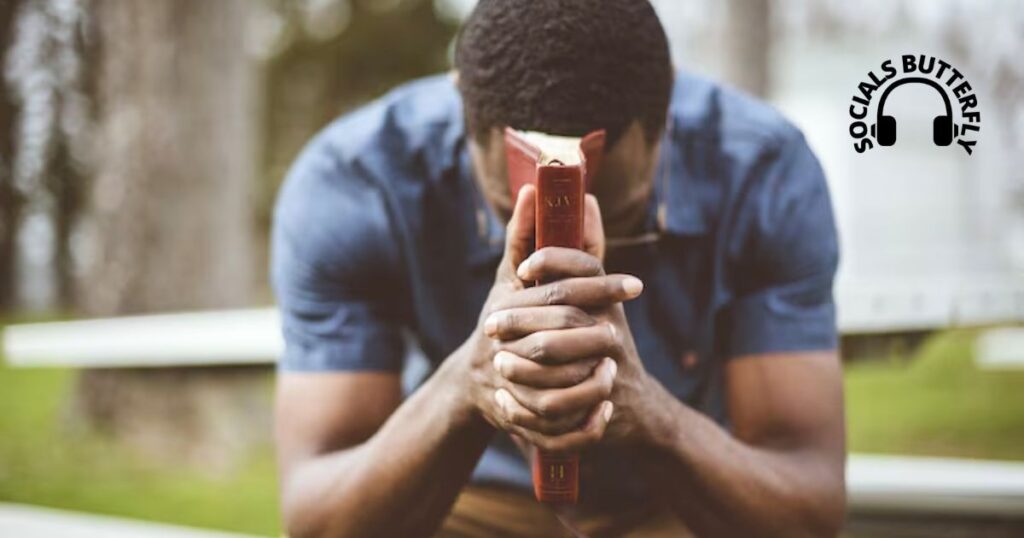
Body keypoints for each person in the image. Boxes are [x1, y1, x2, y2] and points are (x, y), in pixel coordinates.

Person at [271, 1, 845, 536]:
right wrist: (467, 386)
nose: (569, 274)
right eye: (510, 213)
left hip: (673, 505)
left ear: (664, 108)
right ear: (461, 100)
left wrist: (650, 415)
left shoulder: (762, 171)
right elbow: (319, 514)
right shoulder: (356, 182)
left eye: (616, 218)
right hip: (466, 501)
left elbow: (808, 507)